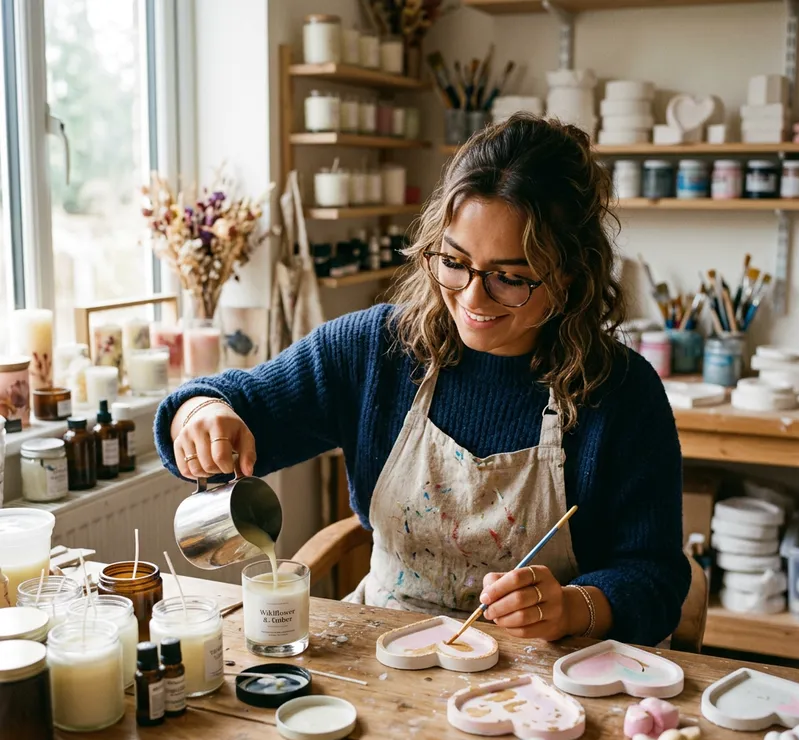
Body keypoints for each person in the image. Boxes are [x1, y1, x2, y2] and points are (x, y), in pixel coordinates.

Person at [155, 114, 690, 647]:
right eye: (455, 262)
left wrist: (574, 608)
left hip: (547, 676)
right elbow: (234, 402)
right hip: (389, 650)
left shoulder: (620, 392)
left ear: (570, 274)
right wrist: (200, 415)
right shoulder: (375, 351)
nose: (473, 298)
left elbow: (656, 579)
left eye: (510, 278)